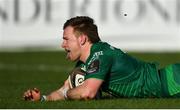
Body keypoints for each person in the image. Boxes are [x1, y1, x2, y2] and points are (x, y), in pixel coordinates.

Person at [23, 16, 180, 101]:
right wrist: (43, 98)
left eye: (66, 39)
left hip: (171, 82)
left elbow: (87, 92)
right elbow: (65, 89)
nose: (62, 44)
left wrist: (70, 93)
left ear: (82, 39)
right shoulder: (88, 61)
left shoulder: (100, 55)